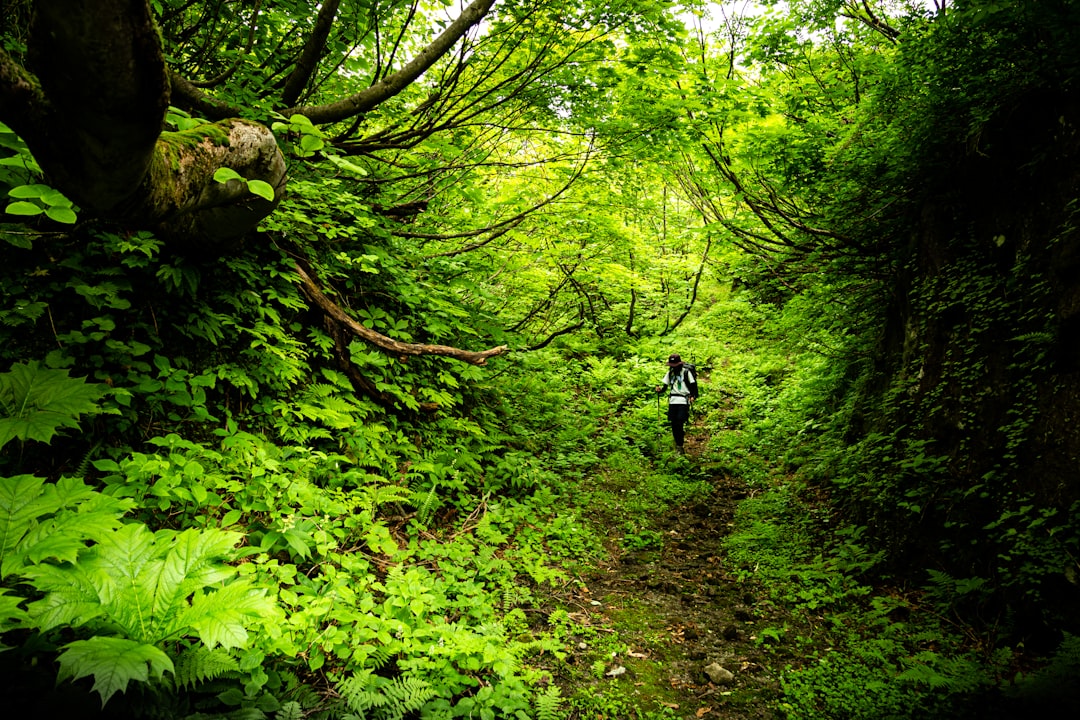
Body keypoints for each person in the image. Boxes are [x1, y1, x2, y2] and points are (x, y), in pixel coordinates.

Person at [656, 353, 697, 453]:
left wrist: (693, 396)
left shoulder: (686, 372)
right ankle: (679, 445)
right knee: (674, 424)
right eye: (671, 366)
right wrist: (659, 390)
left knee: (679, 422)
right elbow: (665, 387)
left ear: (680, 364)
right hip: (673, 401)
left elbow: (693, 386)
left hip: (683, 400)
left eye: (674, 365)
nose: (673, 367)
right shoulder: (670, 373)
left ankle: (680, 444)